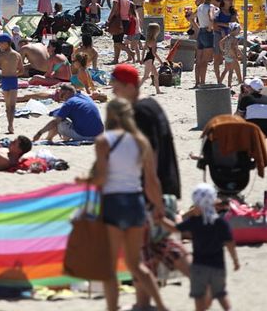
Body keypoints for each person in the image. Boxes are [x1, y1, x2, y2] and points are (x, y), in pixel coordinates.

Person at [76, 98, 167, 311]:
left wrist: (84, 181)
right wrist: (159, 208)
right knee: (136, 264)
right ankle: (162, 306)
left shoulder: (104, 141)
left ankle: (112, 308)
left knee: (109, 267)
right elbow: (152, 181)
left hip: (114, 202)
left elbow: (102, 178)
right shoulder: (140, 141)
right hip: (135, 202)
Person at [162, 183, 239, 311]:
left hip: (199, 267)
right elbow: (230, 243)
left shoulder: (194, 222)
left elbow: (174, 228)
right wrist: (235, 260)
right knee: (221, 294)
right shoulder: (220, 223)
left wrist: (161, 220)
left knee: (199, 297)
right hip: (218, 266)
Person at [111, 64, 181, 198]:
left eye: (116, 88)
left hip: (155, 191)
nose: (113, 92)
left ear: (130, 87)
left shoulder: (139, 112)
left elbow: (150, 158)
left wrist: (155, 201)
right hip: (166, 183)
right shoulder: (151, 104)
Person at [32, 87, 103, 142]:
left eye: (62, 96)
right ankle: (66, 137)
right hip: (99, 135)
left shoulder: (70, 102)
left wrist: (39, 133)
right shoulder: (86, 98)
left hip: (86, 136)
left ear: (68, 92)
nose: (62, 99)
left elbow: (56, 121)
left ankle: (48, 138)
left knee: (58, 120)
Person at [0, 33, 23, 134]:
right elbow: (21, 70)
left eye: (1, 43)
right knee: (9, 106)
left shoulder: (10, 55)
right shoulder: (4, 55)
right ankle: (10, 124)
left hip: (9, 80)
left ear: (7, 43)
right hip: (8, 80)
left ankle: (10, 125)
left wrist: (11, 73)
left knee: (11, 105)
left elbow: (21, 70)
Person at [212, 0, 238, 83]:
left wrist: (221, 25)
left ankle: (228, 80)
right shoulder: (218, 11)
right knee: (217, 58)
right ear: (224, 0)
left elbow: (232, 25)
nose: (231, 1)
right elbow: (214, 24)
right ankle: (218, 78)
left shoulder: (233, 12)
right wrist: (224, 26)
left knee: (229, 59)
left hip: (228, 37)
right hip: (218, 35)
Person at [195, 0, 218, 87]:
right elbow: (211, 17)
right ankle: (203, 82)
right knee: (205, 60)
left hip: (200, 31)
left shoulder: (200, 6)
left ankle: (197, 82)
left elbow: (191, 17)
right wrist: (210, 26)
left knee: (199, 59)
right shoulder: (211, 7)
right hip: (207, 33)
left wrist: (197, 26)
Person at [107, 0, 133, 65]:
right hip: (126, 22)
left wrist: (109, 19)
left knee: (117, 42)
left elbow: (114, 10)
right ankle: (115, 59)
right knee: (117, 41)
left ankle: (130, 52)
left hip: (118, 22)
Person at [140, 22, 163, 94]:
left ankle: (158, 90)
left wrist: (142, 59)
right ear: (156, 32)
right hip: (150, 59)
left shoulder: (147, 39)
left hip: (148, 59)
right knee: (145, 76)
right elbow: (154, 53)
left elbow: (144, 50)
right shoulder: (154, 41)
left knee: (156, 75)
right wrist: (160, 61)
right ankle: (135, 89)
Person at [219, 23, 242, 87]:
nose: (239, 31)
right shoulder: (234, 39)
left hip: (226, 55)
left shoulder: (227, 36)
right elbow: (234, 48)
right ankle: (229, 84)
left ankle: (219, 82)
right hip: (232, 56)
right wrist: (238, 55)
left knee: (226, 70)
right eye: (238, 30)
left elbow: (220, 42)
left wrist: (223, 50)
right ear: (235, 30)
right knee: (231, 71)